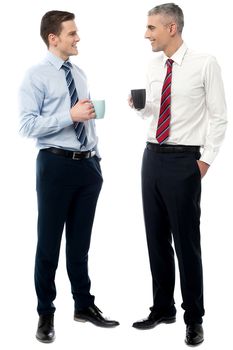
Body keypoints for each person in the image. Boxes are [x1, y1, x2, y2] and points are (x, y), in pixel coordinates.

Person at [129, 3, 227, 346]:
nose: (146, 34)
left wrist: (205, 162)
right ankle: (162, 308)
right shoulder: (152, 66)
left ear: (172, 28)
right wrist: (141, 109)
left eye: (151, 28)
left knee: (187, 244)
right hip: (151, 158)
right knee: (155, 239)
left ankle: (194, 318)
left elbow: (220, 117)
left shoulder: (205, 63)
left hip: (185, 161)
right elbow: (156, 115)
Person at [19, 10, 119, 343]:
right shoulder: (35, 76)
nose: (78, 38)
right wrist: (68, 115)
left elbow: (85, 118)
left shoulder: (79, 73)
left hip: (88, 167)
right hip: (55, 166)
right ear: (54, 38)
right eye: (72, 33)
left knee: (80, 245)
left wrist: (96, 158)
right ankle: (45, 314)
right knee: (48, 244)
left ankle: (83, 306)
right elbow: (26, 125)